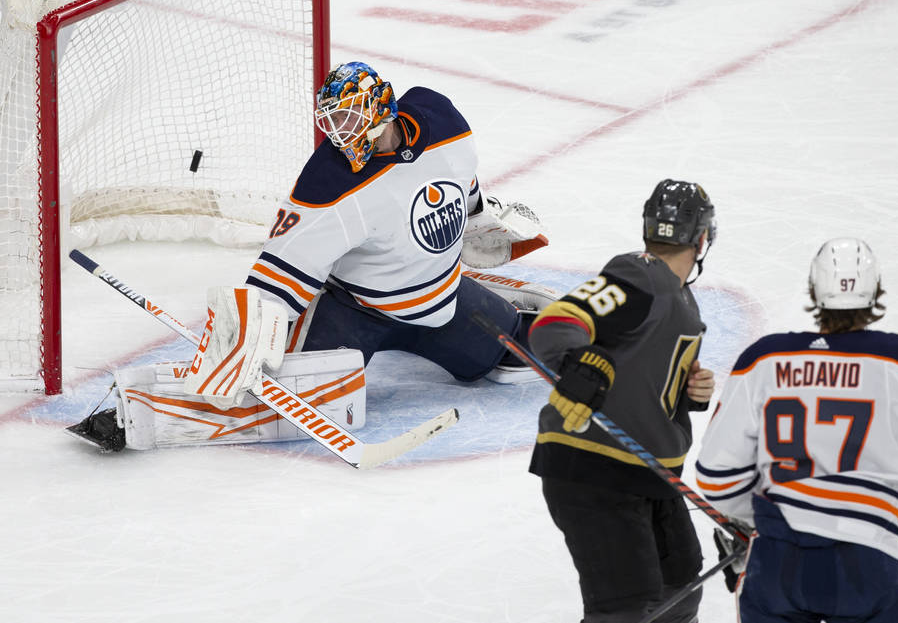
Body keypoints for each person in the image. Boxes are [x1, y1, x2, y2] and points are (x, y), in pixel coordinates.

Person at [68, 61, 552, 451]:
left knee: (510, 358)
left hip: (442, 300)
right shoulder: (330, 182)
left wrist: (477, 218)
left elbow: (461, 185)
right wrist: (242, 341)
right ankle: (139, 415)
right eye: (332, 121)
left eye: (349, 118)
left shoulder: (442, 120)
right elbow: (278, 277)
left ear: (381, 108)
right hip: (353, 311)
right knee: (290, 398)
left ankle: (575, 325)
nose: (340, 134)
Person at [695, 237, 898, 623]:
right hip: (866, 564)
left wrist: (759, 528)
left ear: (814, 290)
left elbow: (717, 477)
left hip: (776, 563)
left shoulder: (764, 359)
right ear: (875, 293)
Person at [527, 179, 718, 623]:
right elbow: (557, 322)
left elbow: (643, 371)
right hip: (596, 471)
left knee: (680, 587)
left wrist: (689, 392)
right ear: (703, 237)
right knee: (626, 609)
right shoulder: (642, 273)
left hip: (650, 475)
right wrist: (580, 363)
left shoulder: (678, 297)